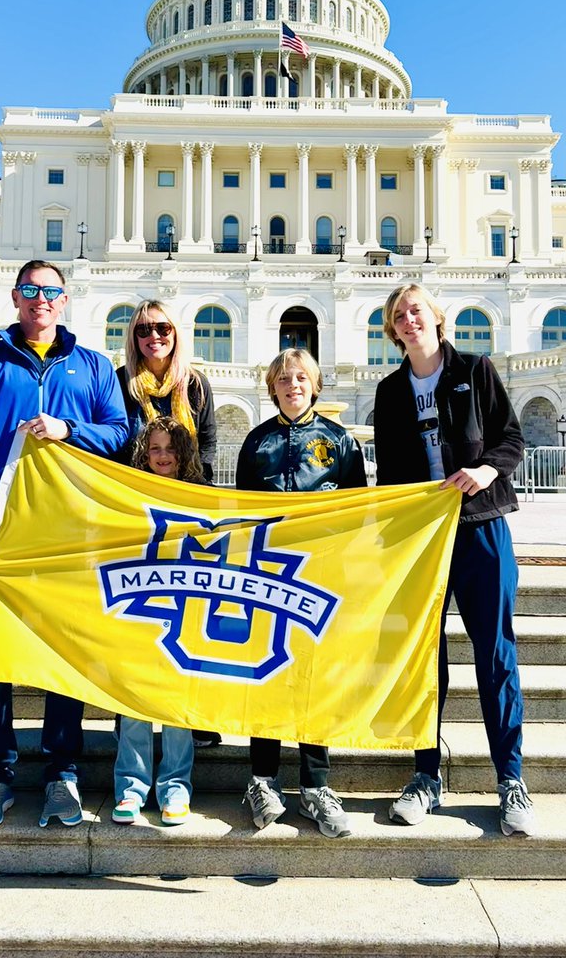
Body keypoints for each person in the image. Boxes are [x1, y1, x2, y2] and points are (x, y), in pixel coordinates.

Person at [0, 259, 129, 829]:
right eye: (30, 291)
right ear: (16, 298)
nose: (39, 300)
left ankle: (62, 774)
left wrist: (70, 430)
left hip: (68, 533)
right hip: (1, 533)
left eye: (50, 291)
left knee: (60, 656)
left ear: (65, 300)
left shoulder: (93, 367)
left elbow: (121, 435)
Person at [372, 283, 535, 837]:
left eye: (416, 309)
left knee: (495, 655)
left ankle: (510, 779)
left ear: (436, 318)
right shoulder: (391, 391)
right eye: (399, 315)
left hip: (482, 527)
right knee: (425, 660)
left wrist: (488, 470)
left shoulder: (476, 369)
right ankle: (425, 776)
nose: (409, 319)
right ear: (393, 331)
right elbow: (391, 476)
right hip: (423, 539)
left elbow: (510, 439)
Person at [235, 348, 367, 839]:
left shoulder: (340, 442)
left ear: (315, 386)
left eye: (301, 378)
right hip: (267, 573)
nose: (293, 385)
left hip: (320, 573)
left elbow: (357, 507)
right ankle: (262, 780)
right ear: (273, 387)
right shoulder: (257, 441)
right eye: (284, 379)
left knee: (314, 674)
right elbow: (241, 508)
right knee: (266, 670)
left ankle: (316, 784)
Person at [115, 299, 220, 748]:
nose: (153, 336)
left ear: (176, 333)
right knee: (138, 619)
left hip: (186, 516)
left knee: (189, 618)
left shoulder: (194, 384)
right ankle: (132, 713)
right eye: (143, 330)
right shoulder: (121, 383)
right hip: (136, 516)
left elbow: (210, 446)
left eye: (163, 328)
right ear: (133, 339)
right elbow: (114, 441)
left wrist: (197, 499)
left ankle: (195, 715)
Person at [111, 417, 205, 826]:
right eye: (154, 449)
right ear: (143, 454)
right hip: (140, 606)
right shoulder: (129, 491)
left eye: (170, 448)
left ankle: (175, 787)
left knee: (175, 703)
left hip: (184, 609)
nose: (162, 456)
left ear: (184, 453)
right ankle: (131, 787)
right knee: (134, 703)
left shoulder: (200, 496)